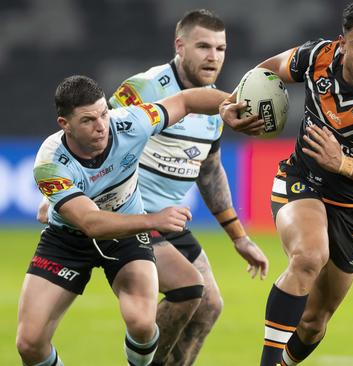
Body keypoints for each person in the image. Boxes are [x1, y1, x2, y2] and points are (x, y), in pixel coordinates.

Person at [219, 1, 353, 365]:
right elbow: (265, 71)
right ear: (342, 43)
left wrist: (344, 163)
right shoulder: (317, 57)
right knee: (309, 257)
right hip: (302, 180)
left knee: (315, 322)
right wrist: (235, 104)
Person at [17, 75, 261, 366]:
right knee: (29, 344)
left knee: (143, 324)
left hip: (126, 236)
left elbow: (185, 101)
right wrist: (155, 220)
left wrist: (230, 106)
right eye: (87, 120)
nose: (101, 126)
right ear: (64, 124)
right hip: (68, 240)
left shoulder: (129, 122)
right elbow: (91, 223)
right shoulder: (50, 162)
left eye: (103, 114)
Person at [108, 9, 269, 365]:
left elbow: (209, 172)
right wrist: (66, 194)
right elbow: (95, 138)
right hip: (129, 216)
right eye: (203, 47)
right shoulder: (146, 87)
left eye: (221, 48)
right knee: (189, 291)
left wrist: (239, 237)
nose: (214, 57)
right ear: (179, 46)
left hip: (167, 221)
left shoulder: (218, 107)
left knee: (210, 305)